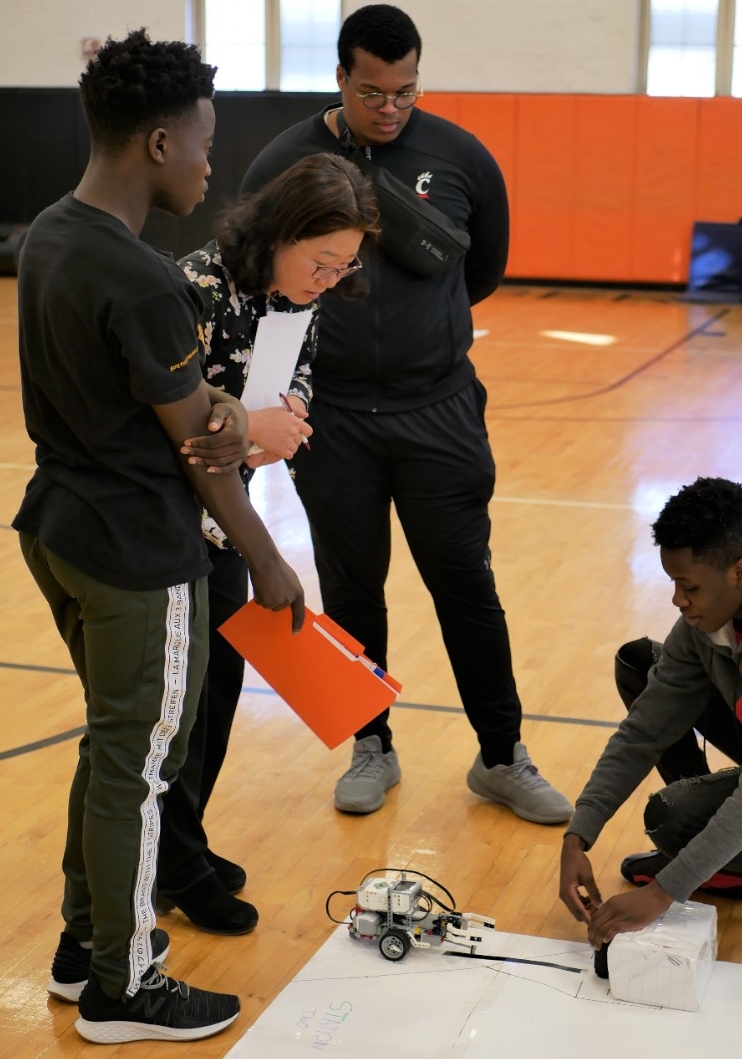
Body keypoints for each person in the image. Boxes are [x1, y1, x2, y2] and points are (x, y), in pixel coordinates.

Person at [13, 30, 305, 1044]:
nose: (210, 163)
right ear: (156, 143)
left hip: (56, 524)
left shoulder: (49, 233)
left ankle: (81, 943)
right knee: (142, 762)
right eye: (204, 145)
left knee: (112, 743)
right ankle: (121, 986)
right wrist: (267, 561)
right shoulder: (140, 278)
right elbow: (201, 453)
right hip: (135, 547)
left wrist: (208, 402)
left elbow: (156, 400)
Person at [239, 3, 573, 824]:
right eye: (372, 92)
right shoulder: (286, 162)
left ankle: (501, 755)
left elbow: (482, 269)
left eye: (405, 91)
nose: (390, 107)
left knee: (465, 582)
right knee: (352, 586)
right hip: (335, 417)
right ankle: (370, 744)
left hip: (440, 409)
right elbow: (253, 275)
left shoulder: (460, 155)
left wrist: (425, 340)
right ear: (341, 79)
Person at [156, 153, 380, 935]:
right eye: (321, 262)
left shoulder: (300, 296)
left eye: (344, 266)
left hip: (230, 522)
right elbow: (184, 434)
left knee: (215, 700)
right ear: (280, 232)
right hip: (177, 527)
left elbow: (302, 370)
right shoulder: (197, 288)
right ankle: (174, 863)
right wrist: (260, 434)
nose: (329, 280)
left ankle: (178, 846)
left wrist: (293, 410)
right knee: (180, 709)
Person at [559, 477, 742, 953]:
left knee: (673, 817)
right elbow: (645, 729)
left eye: (688, 585)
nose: (677, 599)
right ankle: (721, 858)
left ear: (740, 572)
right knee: (641, 664)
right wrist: (578, 834)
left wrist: (665, 891)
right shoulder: (709, 617)